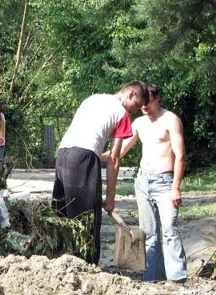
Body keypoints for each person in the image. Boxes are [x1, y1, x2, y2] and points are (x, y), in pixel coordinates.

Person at [52, 81, 149, 265]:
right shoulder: (122, 114)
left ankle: (59, 264)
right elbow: (115, 158)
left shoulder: (93, 99)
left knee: (62, 216)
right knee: (86, 221)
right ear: (130, 94)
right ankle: (86, 269)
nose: (133, 111)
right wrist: (110, 197)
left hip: (63, 154)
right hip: (83, 158)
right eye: (135, 106)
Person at [116, 83, 187, 282]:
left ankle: (177, 278)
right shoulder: (139, 123)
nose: (144, 106)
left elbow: (180, 155)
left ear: (157, 98)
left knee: (169, 230)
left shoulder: (171, 120)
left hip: (165, 182)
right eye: (141, 104)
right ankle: (152, 277)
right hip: (143, 181)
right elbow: (120, 151)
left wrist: (175, 188)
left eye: (147, 102)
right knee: (148, 233)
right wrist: (95, 154)